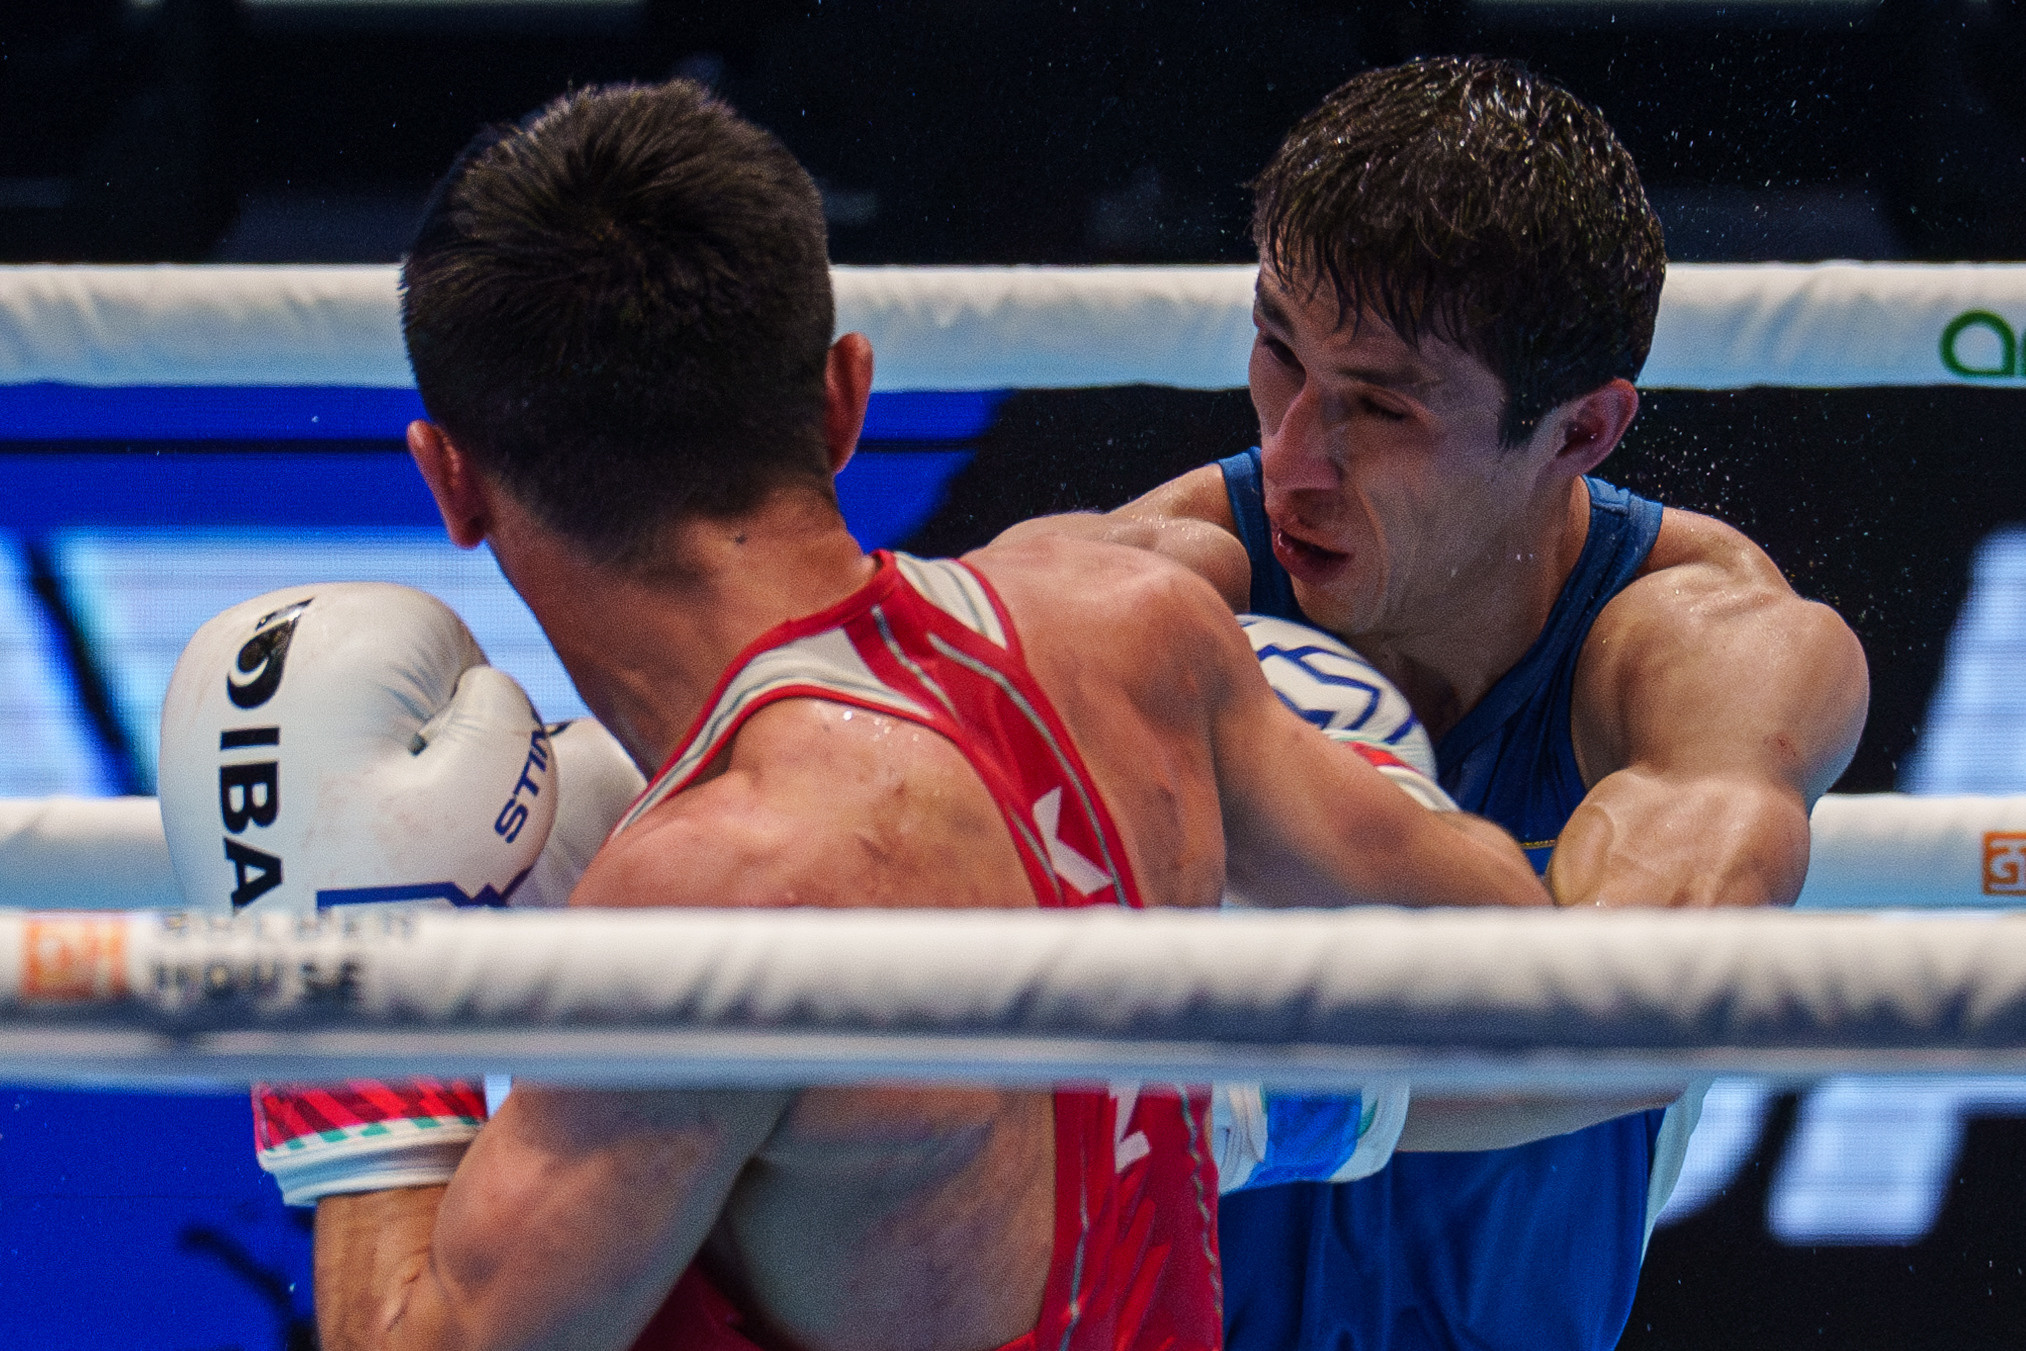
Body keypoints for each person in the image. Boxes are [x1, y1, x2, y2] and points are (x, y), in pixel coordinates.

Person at [198, 80, 1557, 1351]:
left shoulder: (711, 897)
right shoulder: (1132, 632)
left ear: (449, 482)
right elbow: (1517, 958)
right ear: (846, 399)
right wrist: (1203, 1086)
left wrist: (343, 999)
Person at [1002, 56, 1870, 1351]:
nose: (1290, 457)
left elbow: (1635, 1019)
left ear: (1578, 432)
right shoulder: (1149, 592)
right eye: (1275, 352)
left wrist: (1240, 1097)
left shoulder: (1698, 644)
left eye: (1378, 405)